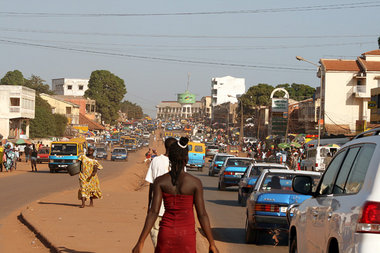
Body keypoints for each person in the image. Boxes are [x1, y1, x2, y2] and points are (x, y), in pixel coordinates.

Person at [133, 137, 219, 253]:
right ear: (186, 159)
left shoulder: (160, 181)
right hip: (186, 236)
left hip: (166, 234)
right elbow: (202, 214)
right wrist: (211, 243)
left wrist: (140, 242)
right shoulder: (195, 183)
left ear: (170, 158)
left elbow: (153, 212)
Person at [144, 137, 176, 248]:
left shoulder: (156, 161)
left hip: (156, 209)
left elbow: (151, 186)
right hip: (173, 210)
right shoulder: (179, 164)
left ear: (165, 146)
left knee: (157, 243)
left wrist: (149, 206)